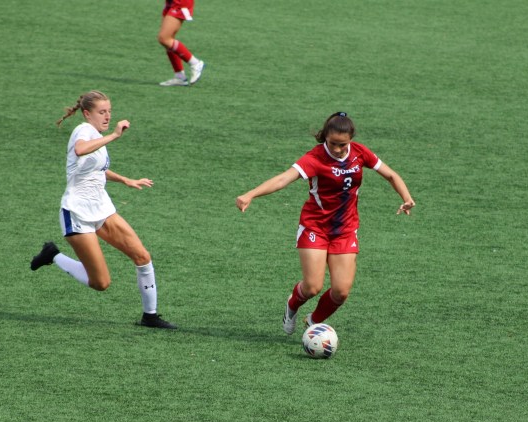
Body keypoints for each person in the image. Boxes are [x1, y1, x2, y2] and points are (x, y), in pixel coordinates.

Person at [235, 112, 415, 334]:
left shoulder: (360, 152)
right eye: (333, 143)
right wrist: (250, 195)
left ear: (351, 140)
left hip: (345, 230)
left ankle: (312, 322)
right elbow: (283, 179)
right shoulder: (315, 158)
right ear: (325, 138)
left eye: (343, 144)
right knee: (312, 287)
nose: (338, 149)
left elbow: (391, 175)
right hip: (315, 227)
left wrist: (406, 198)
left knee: (341, 291)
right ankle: (292, 305)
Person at [31, 90, 176, 329]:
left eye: (109, 111)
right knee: (100, 283)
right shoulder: (83, 131)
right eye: (102, 112)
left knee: (142, 257)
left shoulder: (97, 135)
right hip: (77, 214)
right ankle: (53, 255)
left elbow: (97, 169)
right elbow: (80, 150)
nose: (107, 116)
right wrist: (115, 136)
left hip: (102, 209)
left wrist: (126, 179)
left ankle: (150, 316)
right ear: (87, 114)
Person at [158, 0, 205, 87]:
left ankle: (195, 63)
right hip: (171, 2)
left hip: (180, 2)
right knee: (168, 39)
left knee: (164, 38)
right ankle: (180, 77)